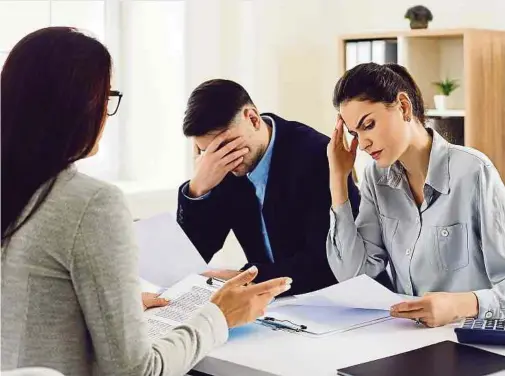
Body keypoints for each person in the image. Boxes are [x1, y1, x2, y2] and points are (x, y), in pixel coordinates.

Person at [1, 27, 292, 376]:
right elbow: (138, 371)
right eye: (106, 97)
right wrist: (218, 316)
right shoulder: (92, 203)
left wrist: (115, 310)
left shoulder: (18, 191)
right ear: (80, 106)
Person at [326, 62, 505, 327]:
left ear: (403, 106)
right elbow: (353, 274)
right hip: (406, 339)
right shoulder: (377, 178)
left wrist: (458, 304)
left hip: (470, 343)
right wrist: (338, 178)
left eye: (369, 125)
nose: (362, 144)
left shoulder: (473, 172)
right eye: (354, 133)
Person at [176, 79, 363, 296]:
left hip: (333, 303)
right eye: (208, 152)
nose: (221, 159)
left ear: (253, 119)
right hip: (274, 310)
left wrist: (247, 279)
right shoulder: (220, 166)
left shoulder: (316, 154)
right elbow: (191, 258)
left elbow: (327, 265)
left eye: (226, 147)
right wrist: (198, 190)